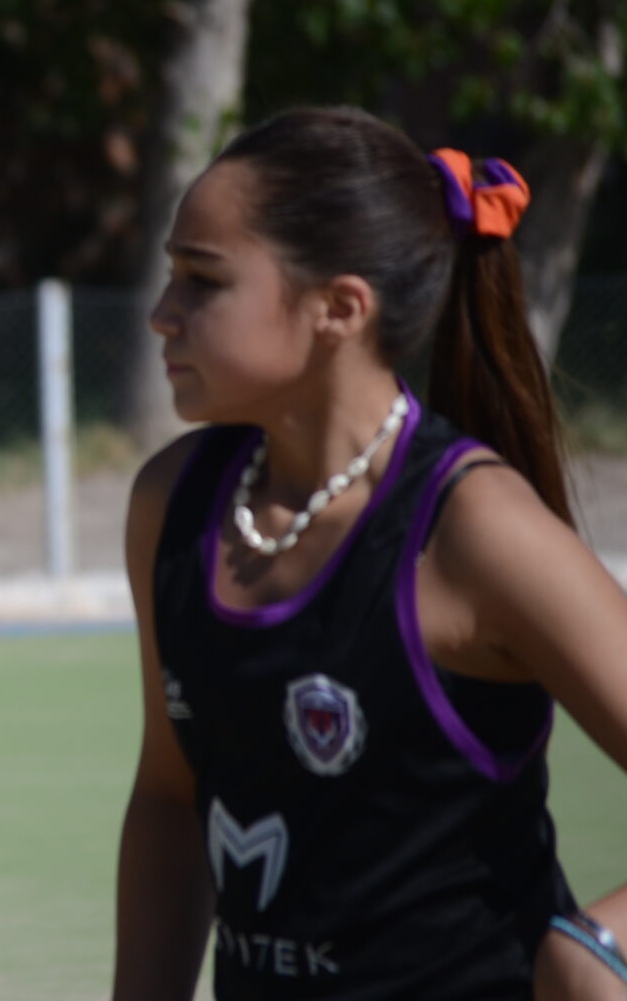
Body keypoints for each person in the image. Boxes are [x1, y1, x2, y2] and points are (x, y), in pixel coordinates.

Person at [110, 107, 627, 999]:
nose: (164, 315)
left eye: (203, 280)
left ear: (340, 309)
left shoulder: (476, 531)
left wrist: (598, 947)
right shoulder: (175, 505)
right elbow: (170, 793)